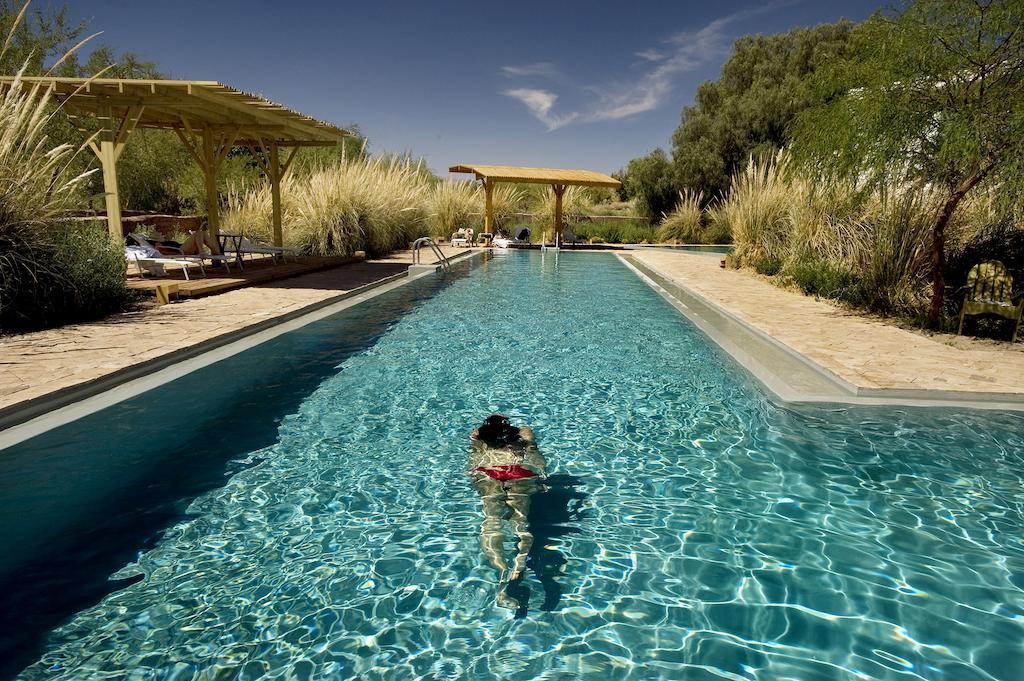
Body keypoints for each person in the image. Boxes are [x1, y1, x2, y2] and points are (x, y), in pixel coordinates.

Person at [467, 413, 547, 609]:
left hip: (488, 472)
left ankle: (503, 572)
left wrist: (473, 478)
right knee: (521, 523)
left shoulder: (477, 435)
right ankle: (519, 563)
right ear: (508, 424)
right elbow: (536, 458)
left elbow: (474, 460)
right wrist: (542, 476)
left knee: (491, 522)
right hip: (519, 472)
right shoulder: (525, 433)